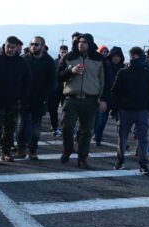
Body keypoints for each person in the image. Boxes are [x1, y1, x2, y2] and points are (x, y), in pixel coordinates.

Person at [58, 32, 106, 169]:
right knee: (67, 127)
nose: (81, 44)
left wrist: (103, 99)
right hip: (71, 98)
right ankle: (68, 148)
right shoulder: (68, 57)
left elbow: (104, 80)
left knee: (86, 131)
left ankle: (82, 159)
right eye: (79, 42)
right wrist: (70, 71)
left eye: (84, 42)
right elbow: (58, 76)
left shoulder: (98, 59)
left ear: (90, 44)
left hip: (90, 99)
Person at [109, 46, 149, 174]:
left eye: (137, 57)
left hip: (142, 111)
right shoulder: (123, 72)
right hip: (125, 110)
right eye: (133, 57)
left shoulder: (148, 73)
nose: (134, 59)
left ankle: (143, 164)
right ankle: (120, 161)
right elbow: (115, 91)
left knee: (143, 139)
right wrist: (116, 108)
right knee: (122, 137)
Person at [0, 36, 28, 163]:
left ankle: (6, 152)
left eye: (13, 47)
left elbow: (27, 81)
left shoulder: (22, 62)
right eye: (8, 46)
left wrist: (22, 97)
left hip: (14, 101)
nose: (10, 49)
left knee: (10, 127)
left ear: (17, 48)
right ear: (5, 45)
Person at [16, 36, 56, 160]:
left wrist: (43, 95)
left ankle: (32, 150)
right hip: (24, 98)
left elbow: (52, 81)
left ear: (43, 46)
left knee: (36, 127)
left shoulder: (49, 61)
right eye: (32, 44)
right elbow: (17, 78)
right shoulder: (24, 59)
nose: (33, 46)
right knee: (21, 125)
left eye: (37, 44)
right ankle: (20, 149)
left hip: (39, 99)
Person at [93, 46, 123, 147]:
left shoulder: (123, 68)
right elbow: (99, 82)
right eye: (114, 56)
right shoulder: (105, 66)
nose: (116, 58)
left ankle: (122, 142)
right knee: (101, 120)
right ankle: (97, 137)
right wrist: (100, 97)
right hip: (105, 98)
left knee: (122, 123)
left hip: (119, 99)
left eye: (118, 56)